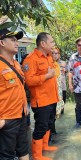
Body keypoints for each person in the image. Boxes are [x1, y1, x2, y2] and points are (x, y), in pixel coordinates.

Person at [22, 32, 59, 160]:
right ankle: (37, 155)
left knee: (49, 123)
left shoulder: (48, 56)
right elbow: (29, 81)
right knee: (40, 127)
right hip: (41, 101)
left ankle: (45, 146)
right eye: (52, 42)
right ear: (43, 44)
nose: (54, 45)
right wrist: (47, 76)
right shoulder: (30, 59)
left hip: (52, 98)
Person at [0, 28, 29, 160]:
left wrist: (25, 108)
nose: (16, 43)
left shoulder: (16, 64)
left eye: (17, 40)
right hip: (7, 119)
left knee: (23, 149)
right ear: (2, 43)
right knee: (7, 155)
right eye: (12, 40)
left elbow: (19, 89)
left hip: (21, 115)